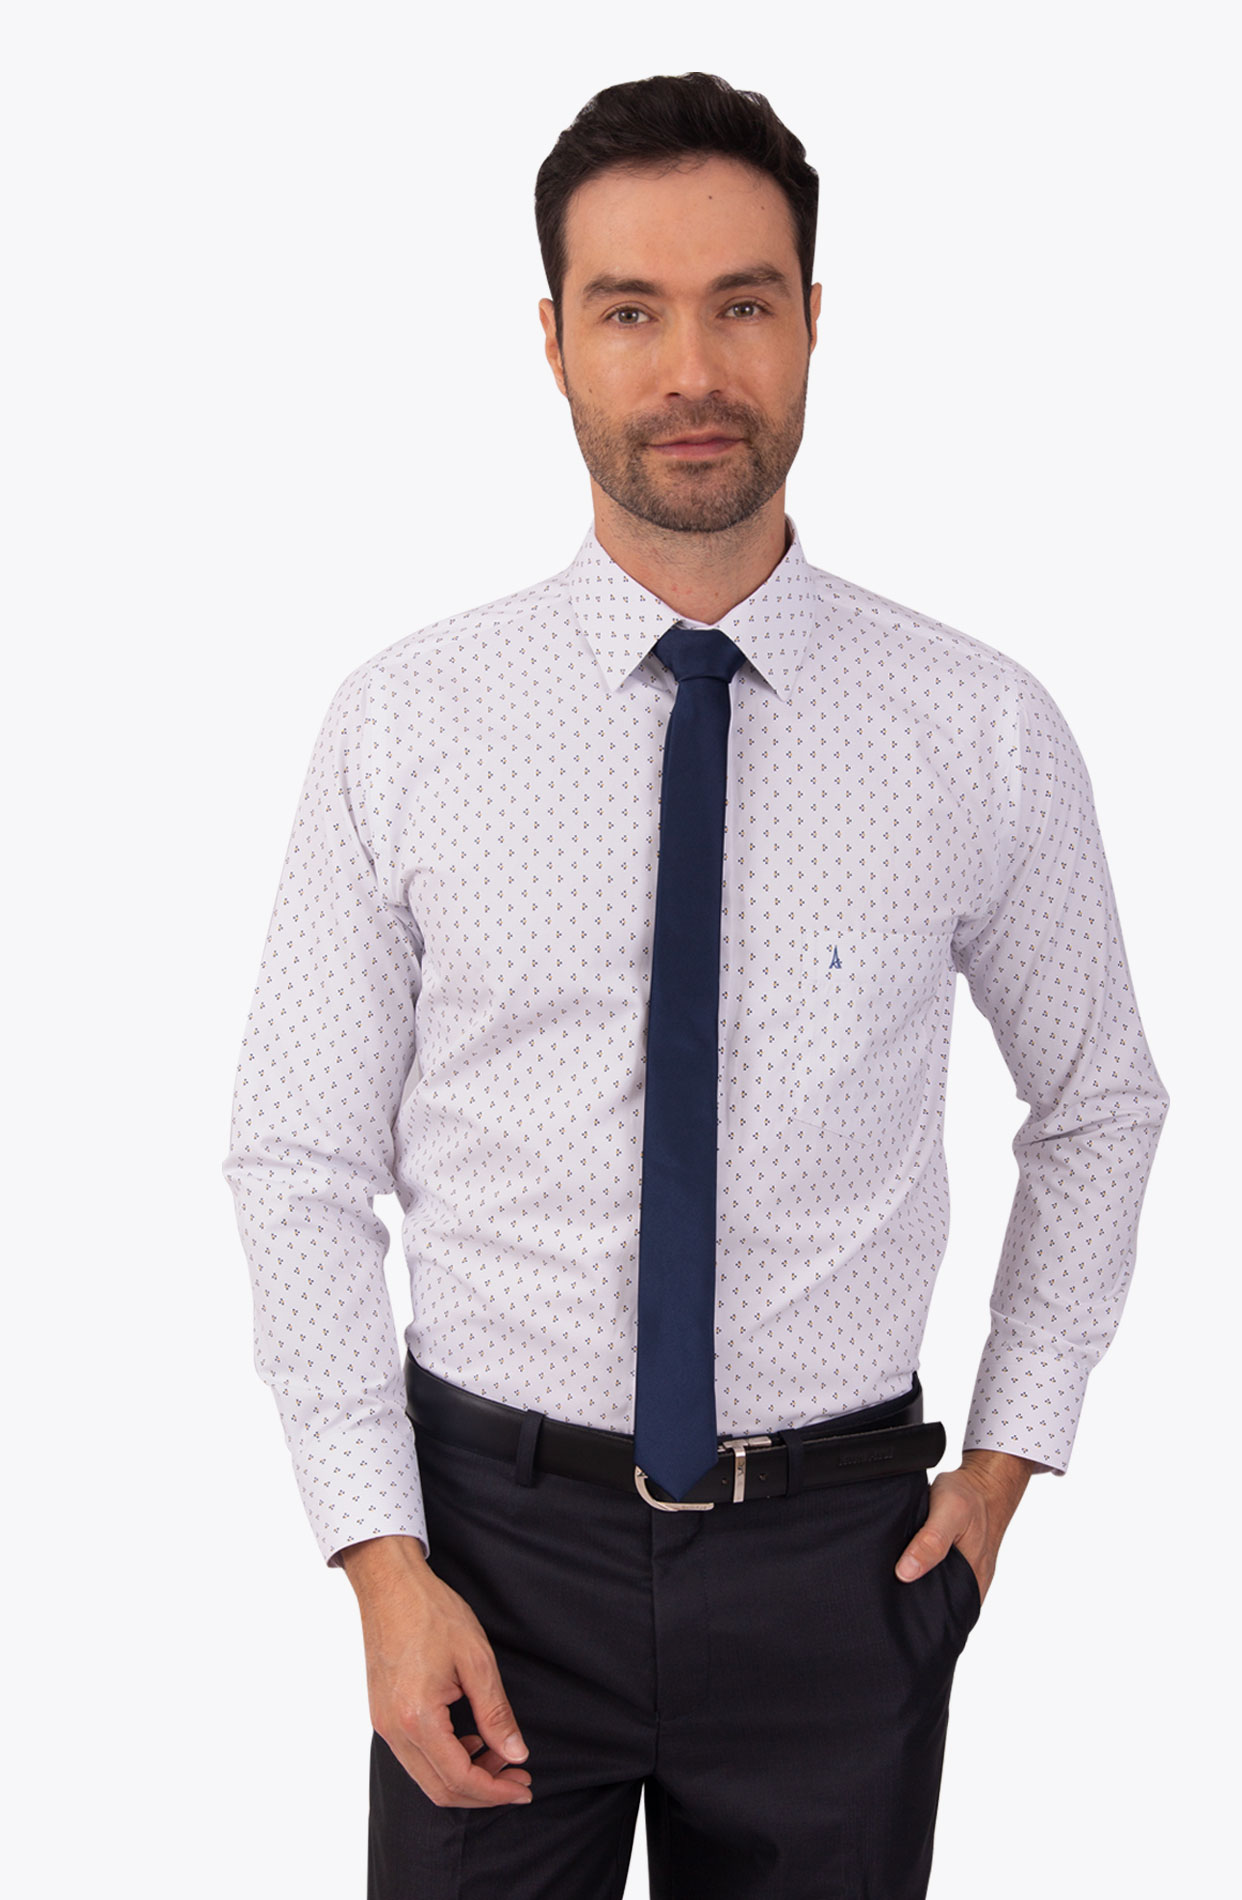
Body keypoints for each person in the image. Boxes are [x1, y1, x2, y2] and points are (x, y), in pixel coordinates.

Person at [222, 70, 1170, 1899]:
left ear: (812, 318)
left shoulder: (976, 727)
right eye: (629, 312)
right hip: (487, 1563)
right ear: (553, 341)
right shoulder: (408, 724)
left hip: (842, 1567)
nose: (691, 373)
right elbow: (297, 1159)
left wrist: (1005, 1466)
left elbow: (1103, 1101)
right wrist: (379, 1563)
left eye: (741, 303)